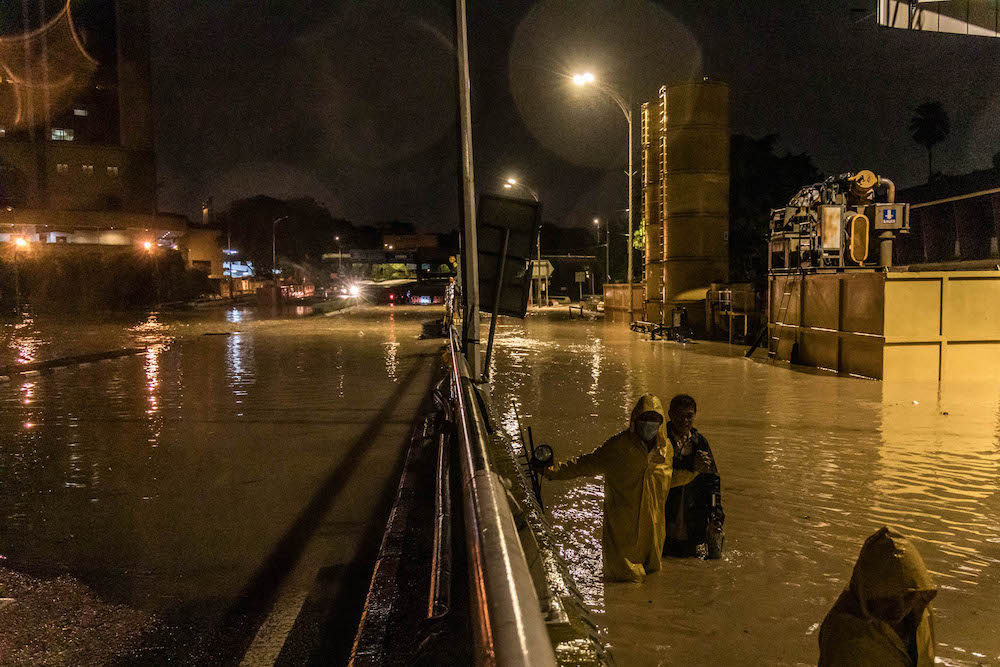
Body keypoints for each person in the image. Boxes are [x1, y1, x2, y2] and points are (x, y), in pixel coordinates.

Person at [542, 394, 676, 582]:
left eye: (654, 419)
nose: (649, 424)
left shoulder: (666, 449)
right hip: (623, 533)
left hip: (653, 536)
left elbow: (670, 479)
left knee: (652, 584)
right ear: (635, 420)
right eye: (645, 418)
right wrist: (553, 472)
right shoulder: (619, 446)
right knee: (625, 584)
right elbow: (587, 463)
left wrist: (695, 472)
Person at [818, 526, 938, 667]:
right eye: (889, 599)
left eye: (907, 597)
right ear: (869, 592)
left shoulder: (919, 606)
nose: (900, 608)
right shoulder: (844, 635)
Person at [662, 394, 725, 559]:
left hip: (692, 515)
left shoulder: (700, 443)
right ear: (670, 414)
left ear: (695, 416)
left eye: (689, 416)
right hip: (665, 513)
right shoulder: (661, 441)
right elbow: (661, 474)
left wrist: (715, 512)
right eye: (680, 415)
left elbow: (712, 481)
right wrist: (691, 465)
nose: (685, 420)